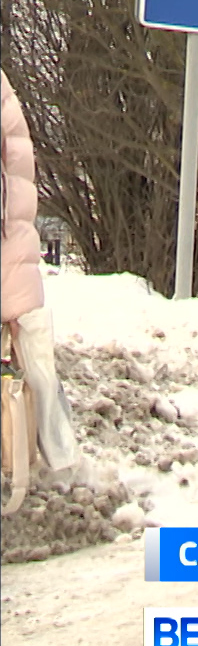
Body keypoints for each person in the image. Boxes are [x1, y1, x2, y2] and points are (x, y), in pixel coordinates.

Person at [1, 70, 79, 486]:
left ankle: (58, 462)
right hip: (13, 253)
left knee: (32, 365)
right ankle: (62, 462)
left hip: (9, 252)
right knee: (36, 367)